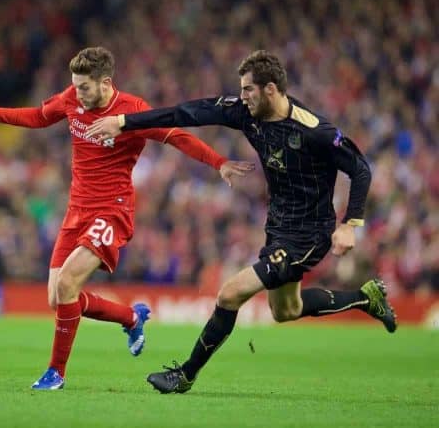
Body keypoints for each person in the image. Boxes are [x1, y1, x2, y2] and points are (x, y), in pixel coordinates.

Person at [85, 50, 398, 394]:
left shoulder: (315, 131)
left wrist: (350, 224)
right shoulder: (247, 114)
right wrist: (126, 122)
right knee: (286, 310)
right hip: (278, 227)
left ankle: (185, 375)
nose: (243, 96)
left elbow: (360, 168)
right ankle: (367, 298)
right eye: (242, 89)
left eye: (249, 89)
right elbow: (190, 112)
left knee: (229, 294)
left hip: (310, 234)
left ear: (270, 90)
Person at [0, 46, 254, 390]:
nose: (78, 93)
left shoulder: (132, 110)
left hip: (112, 210)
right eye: (75, 86)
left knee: (69, 285)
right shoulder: (72, 98)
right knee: (58, 298)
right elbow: (39, 116)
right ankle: (130, 317)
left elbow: (176, 136)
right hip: (76, 211)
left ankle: (56, 372)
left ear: (106, 83)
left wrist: (218, 162)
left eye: (85, 87)